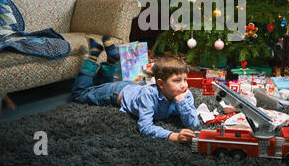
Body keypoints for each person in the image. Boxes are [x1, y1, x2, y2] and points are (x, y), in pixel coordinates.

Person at [71, 36, 199, 143]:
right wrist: (174, 135)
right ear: (160, 83)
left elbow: (194, 125)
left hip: (135, 87)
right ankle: (92, 56)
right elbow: (145, 127)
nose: (183, 85)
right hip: (118, 92)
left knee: (102, 83)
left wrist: (182, 103)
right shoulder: (150, 94)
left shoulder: (184, 94)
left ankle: (111, 61)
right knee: (79, 95)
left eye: (185, 79)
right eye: (177, 80)